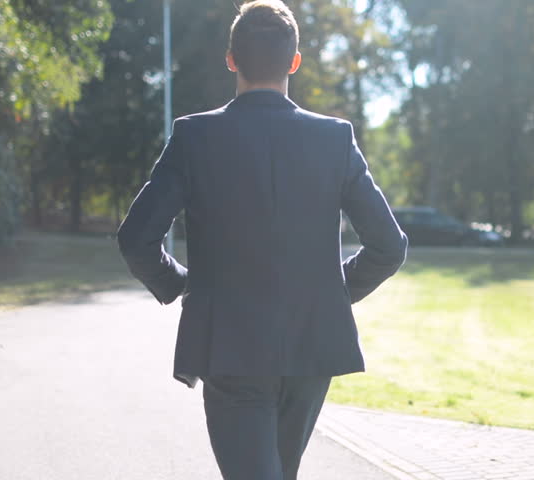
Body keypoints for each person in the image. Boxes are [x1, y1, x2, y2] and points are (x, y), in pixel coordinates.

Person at [115, 1, 408, 478]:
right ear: (294, 62)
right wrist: (327, 294)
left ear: (231, 58)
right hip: (311, 347)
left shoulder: (194, 137)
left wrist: (181, 284)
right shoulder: (335, 138)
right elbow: (388, 247)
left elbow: (136, 239)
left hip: (229, 346)